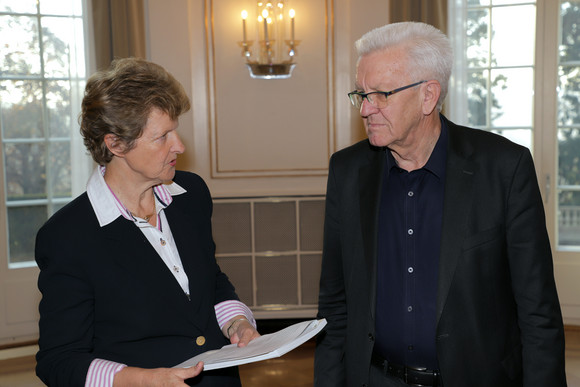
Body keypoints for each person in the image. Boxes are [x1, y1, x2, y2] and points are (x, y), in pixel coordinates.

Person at [314, 22, 567, 387]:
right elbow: (334, 308)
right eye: (361, 94)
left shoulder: (503, 169)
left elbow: (538, 314)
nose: (365, 109)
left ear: (428, 96)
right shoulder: (347, 172)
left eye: (381, 94)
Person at [35, 58, 260, 386]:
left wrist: (235, 320)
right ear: (115, 144)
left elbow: (209, 279)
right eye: (162, 137)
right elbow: (59, 361)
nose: (179, 146)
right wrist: (139, 379)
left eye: (176, 129)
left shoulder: (191, 194)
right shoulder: (67, 237)